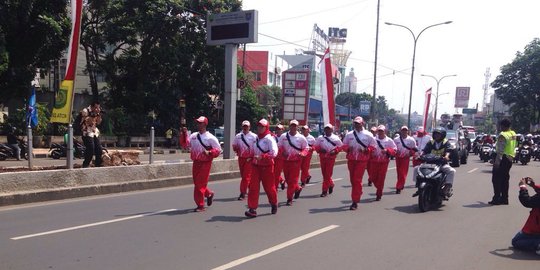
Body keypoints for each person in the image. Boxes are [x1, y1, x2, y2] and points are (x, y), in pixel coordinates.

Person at [245, 119, 279, 218]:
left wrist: (262, 157)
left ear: (266, 127)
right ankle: (252, 209)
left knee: (269, 188)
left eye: (262, 127)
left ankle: (274, 203)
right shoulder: (256, 138)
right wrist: (250, 157)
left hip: (267, 167)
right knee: (253, 188)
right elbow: (253, 150)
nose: (260, 128)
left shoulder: (269, 139)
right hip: (256, 166)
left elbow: (274, 153)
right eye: (259, 126)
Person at [342, 116, 377, 210]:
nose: (357, 125)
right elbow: (343, 145)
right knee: (353, 180)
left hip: (362, 160)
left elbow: (373, 146)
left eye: (358, 123)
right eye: (355, 123)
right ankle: (358, 191)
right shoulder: (349, 134)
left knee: (357, 180)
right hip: (351, 159)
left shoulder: (368, 134)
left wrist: (366, 150)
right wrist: (348, 148)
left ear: (362, 123)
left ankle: (355, 201)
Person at [188, 116, 221, 212]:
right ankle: (209, 194)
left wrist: (210, 152)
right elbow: (186, 144)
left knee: (199, 184)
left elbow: (218, 150)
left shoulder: (210, 138)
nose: (198, 124)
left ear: (205, 124)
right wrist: (184, 133)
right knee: (197, 183)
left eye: (200, 123)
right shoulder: (193, 135)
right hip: (196, 162)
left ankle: (200, 205)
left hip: (205, 163)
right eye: (198, 123)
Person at [413, 127, 455, 197]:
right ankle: (418, 186)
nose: (437, 136)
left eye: (438, 134)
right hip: (429, 163)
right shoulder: (431, 142)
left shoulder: (446, 142)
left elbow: (448, 150)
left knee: (452, 171)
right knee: (416, 168)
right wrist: (420, 155)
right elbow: (424, 151)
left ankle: (446, 188)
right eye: (435, 134)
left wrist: (446, 156)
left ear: (443, 135)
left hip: (441, 163)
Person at [278, 120, 308, 206]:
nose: (293, 127)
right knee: (287, 179)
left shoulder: (301, 137)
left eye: (295, 126)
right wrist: (282, 151)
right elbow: (279, 146)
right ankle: (298, 188)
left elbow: (306, 148)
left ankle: (289, 198)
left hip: (296, 161)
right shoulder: (284, 136)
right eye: (292, 125)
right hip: (286, 160)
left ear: (297, 127)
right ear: (289, 126)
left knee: (293, 180)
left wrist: (302, 154)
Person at [489, 118, 517, 205]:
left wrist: (497, 163)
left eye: (501, 125)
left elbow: (500, 150)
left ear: (503, 126)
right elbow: (514, 146)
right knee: (505, 179)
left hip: (503, 159)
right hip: (510, 158)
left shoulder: (503, 135)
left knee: (496, 179)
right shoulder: (513, 134)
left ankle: (496, 198)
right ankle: (505, 198)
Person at [511, 177, 540, 255]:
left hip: (536, 229)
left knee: (516, 241)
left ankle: (538, 244)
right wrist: (534, 186)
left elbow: (527, 201)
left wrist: (522, 187)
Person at [313, 123, 343, 197]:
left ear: (332, 130)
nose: (327, 130)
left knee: (327, 174)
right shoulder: (320, 138)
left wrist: (335, 151)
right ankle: (331, 184)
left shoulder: (336, 138)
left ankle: (324, 190)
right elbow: (316, 146)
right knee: (324, 174)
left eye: (329, 129)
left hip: (331, 158)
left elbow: (341, 147)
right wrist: (320, 149)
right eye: (326, 128)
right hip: (323, 157)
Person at [369, 125, 396, 201]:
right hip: (374, 161)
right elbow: (369, 147)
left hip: (384, 162)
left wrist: (387, 150)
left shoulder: (389, 140)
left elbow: (394, 150)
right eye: (379, 131)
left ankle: (379, 193)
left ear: (385, 132)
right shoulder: (373, 139)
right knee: (372, 177)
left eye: (382, 131)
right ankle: (379, 187)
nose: (380, 132)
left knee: (381, 178)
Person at [232, 120, 257, 200]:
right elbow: (234, 145)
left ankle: (242, 193)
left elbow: (257, 147)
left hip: (250, 159)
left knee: (246, 177)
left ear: (249, 127)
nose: (245, 128)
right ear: (242, 127)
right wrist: (236, 148)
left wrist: (253, 156)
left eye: (247, 126)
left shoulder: (254, 136)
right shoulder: (238, 136)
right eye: (244, 126)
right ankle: (252, 189)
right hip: (241, 158)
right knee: (244, 176)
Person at [394, 126, 417, 194]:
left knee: (402, 173)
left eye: (405, 130)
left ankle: (398, 187)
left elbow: (414, 149)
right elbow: (393, 148)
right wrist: (395, 151)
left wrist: (410, 154)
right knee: (399, 173)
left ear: (407, 131)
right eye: (403, 130)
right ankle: (401, 184)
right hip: (398, 158)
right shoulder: (396, 139)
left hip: (405, 158)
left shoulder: (411, 140)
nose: (404, 131)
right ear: (400, 131)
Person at [81, 101, 103, 168]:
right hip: (86, 132)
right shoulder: (85, 111)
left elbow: (98, 123)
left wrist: (99, 115)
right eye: (96, 107)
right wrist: (94, 114)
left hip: (94, 132)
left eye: (98, 107)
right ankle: (86, 164)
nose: (97, 109)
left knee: (99, 149)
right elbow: (89, 121)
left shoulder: (97, 112)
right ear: (92, 107)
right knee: (91, 148)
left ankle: (98, 165)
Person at [273, 124, 286, 190]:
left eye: (280, 129)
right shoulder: (273, 137)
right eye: (277, 129)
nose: (278, 130)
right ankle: (282, 181)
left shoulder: (285, 138)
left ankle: (275, 187)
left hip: (281, 158)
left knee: (277, 172)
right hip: (273, 157)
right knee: (272, 172)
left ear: (282, 130)